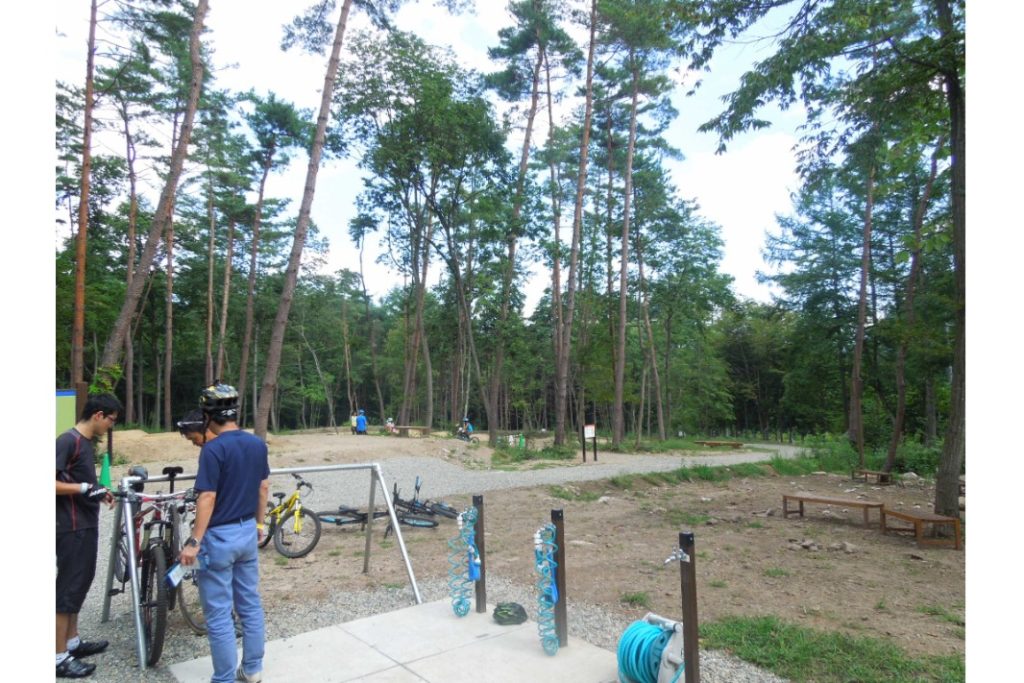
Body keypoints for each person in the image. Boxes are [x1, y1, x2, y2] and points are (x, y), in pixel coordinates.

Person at [178, 382, 270, 683]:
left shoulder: (213, 449)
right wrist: (259, 524)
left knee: (218, 614)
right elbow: (263, 487)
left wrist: (194, 540)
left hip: (218, 538)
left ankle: (224, 679)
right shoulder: (257, 444)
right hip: (246, 532)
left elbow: (207, 497)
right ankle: (253, 669)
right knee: (250, 604)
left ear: (208, 415)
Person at [56, 393, 122, 678]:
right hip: (70, 527)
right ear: (98, 415)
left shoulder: (84, 444)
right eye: (111, 420)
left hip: (86, 523)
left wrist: (99, 492)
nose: (110, 426)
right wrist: (85, 488)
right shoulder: (67, 441)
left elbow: (82, 482)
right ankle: (58, 657)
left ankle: (72, 642)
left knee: (80, 583)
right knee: (68, 590)